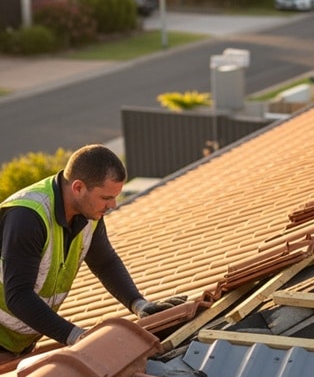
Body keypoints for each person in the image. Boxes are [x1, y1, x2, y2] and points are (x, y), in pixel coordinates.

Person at [0, 144, 182, 358]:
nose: (113, 205)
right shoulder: (28, 217)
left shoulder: (88, 213)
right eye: (106, 198)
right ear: (78, 187)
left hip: (17, 345)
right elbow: (18, 295)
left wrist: (138, 303)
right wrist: (76, 336)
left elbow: (105, 262)